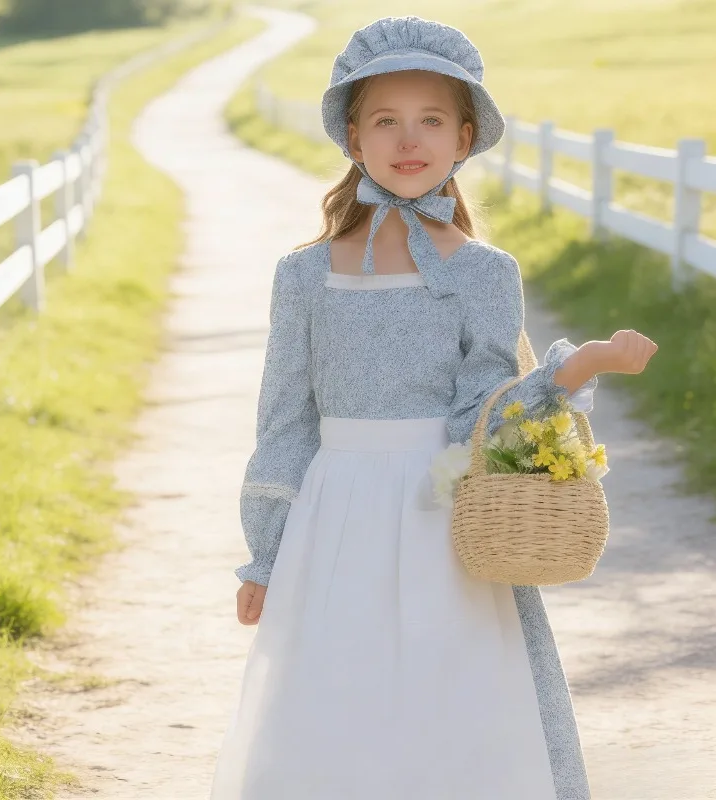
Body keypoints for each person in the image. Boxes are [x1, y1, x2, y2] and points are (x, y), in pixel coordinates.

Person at [210, 15, 657, 800]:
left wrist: (576, 367)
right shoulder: (304, 276)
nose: (408, 139)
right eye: (386, 120)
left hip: (444, 520)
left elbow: (484, 415)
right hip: (334, 524)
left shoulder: (486, 273)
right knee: (341, 703)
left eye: (431, 121)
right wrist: (266, 555)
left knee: (455, 703)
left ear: (464, 138)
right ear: (353, 139)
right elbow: (285, 421)